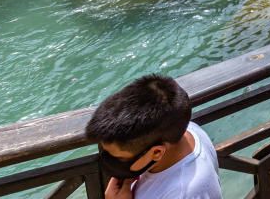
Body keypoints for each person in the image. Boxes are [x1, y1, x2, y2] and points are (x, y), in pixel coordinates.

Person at [85, 75, 222, 199]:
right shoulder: (185, 129)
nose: (108, 161)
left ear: (156, 152)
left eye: (119, 158)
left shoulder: (184, 193)